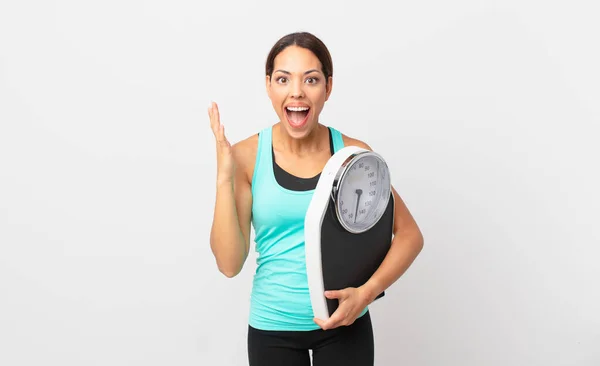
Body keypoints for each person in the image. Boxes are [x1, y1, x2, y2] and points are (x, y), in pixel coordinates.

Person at [208, 31, 424, 366]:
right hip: (272, 329)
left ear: (328, 87)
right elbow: (229, 264)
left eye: (311, 79)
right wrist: (224, 178)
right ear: (269, 86)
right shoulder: (247, 157)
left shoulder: (353, 156)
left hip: (345, 323)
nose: (296, 91)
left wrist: (365, 294)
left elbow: (410, 235)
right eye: (283, 79)